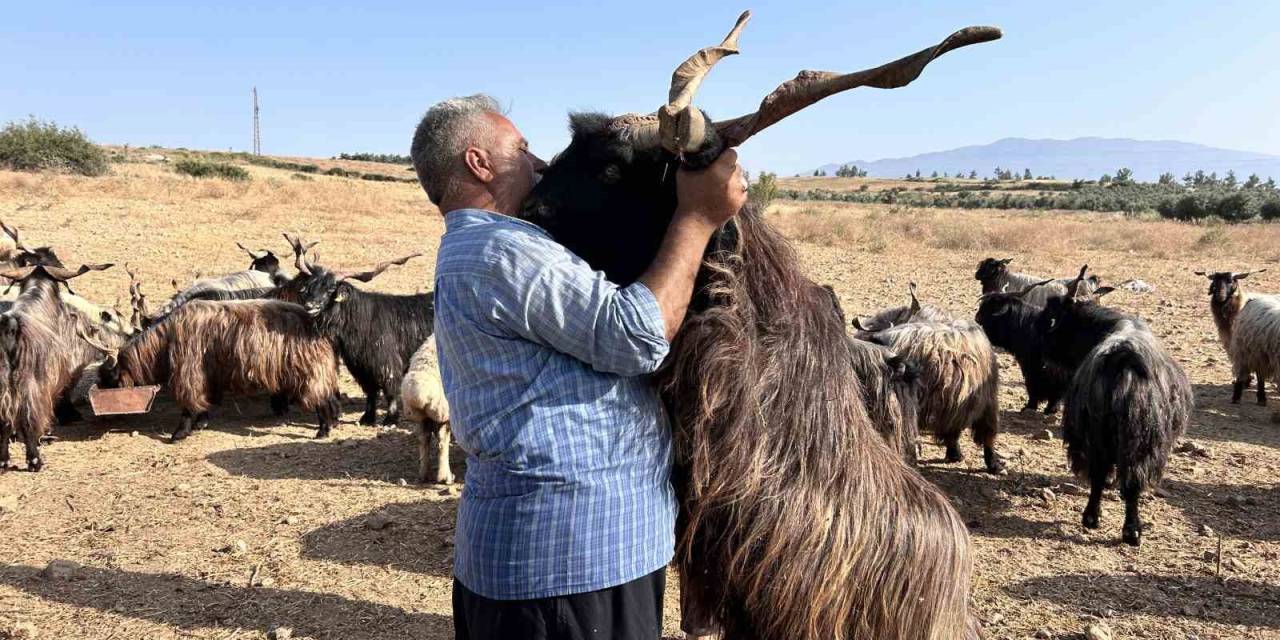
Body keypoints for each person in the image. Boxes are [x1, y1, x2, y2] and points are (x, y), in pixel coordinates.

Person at [410, 95, 745, 640]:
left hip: (555, 560)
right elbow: (638, 334)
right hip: (570, 564)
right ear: (479, 163)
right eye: (521, 149)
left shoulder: (472, 250)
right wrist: (697, 217)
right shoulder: (504, 249)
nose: (540, 163)